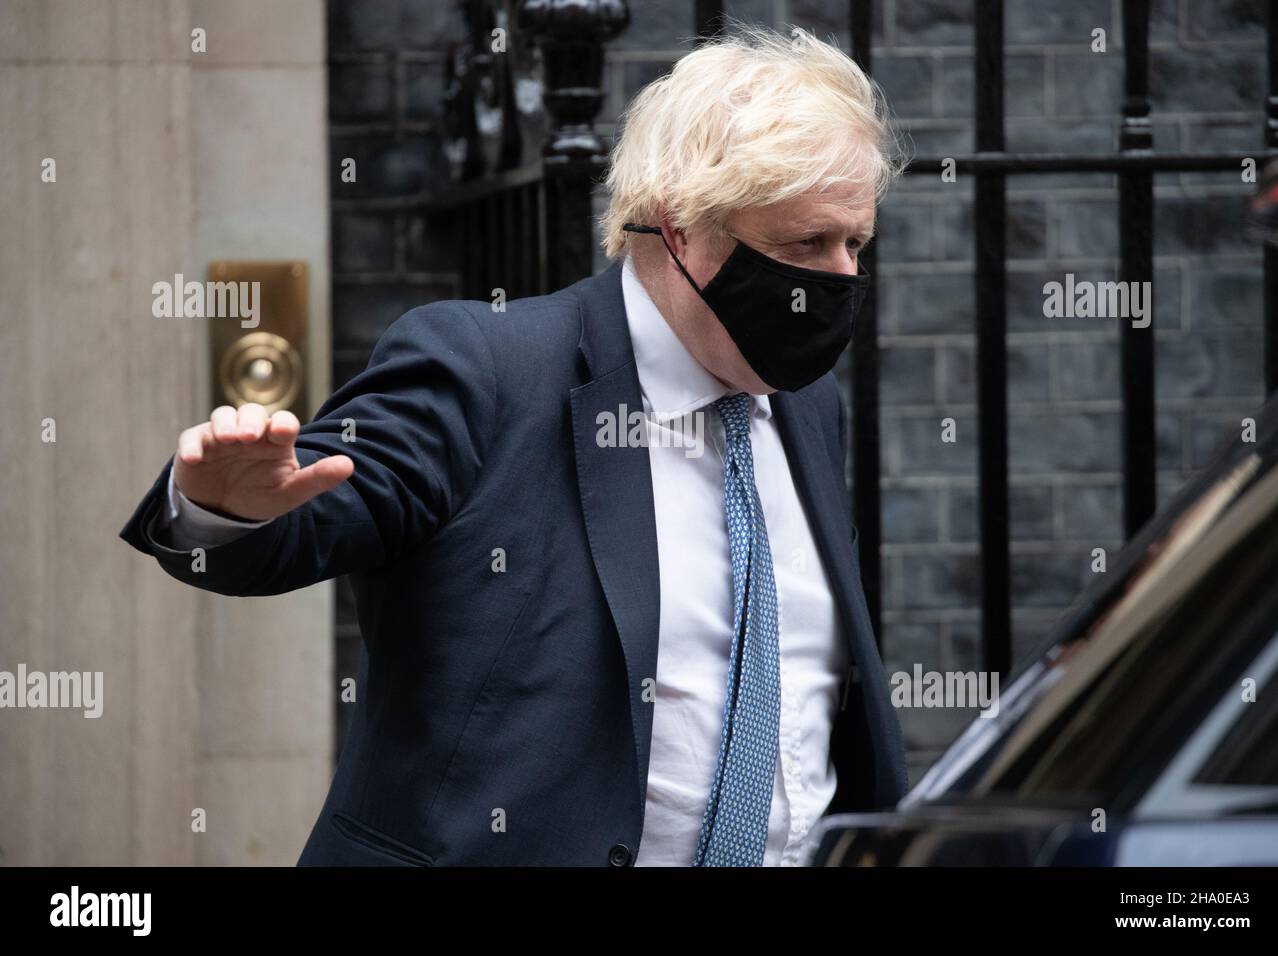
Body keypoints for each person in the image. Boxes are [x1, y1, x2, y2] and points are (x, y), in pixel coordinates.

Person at [119, 22, 907, 867]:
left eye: (854, 243)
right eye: (805, 244)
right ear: (680, 227)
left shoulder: (804, 405)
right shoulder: (485, 367)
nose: (843, 277)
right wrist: (223, 506)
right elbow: (323, 505)